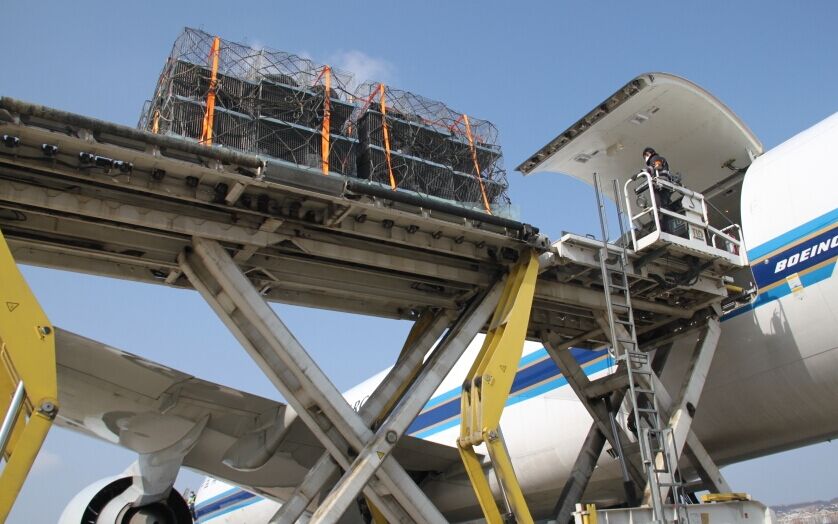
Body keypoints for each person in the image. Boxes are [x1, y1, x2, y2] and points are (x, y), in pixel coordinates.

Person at [641, 147, 683, 235]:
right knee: (664, 205)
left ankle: (663, 229)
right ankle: (668, 227)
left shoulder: (654, 158)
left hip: (661, 184)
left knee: (658, 206)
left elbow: (657, 166)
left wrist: (643, 172)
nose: (645, 158)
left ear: (648, 154)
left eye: (645, 156)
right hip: (664, 184)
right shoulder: (660, 158)